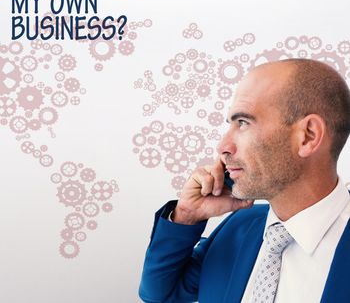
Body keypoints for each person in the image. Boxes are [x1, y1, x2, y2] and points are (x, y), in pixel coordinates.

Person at [139, 59, 350, 303]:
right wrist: (186, 215)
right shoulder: (239, 227)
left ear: (308, 136)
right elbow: (159, 294)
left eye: (243, 123)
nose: (223, 147)